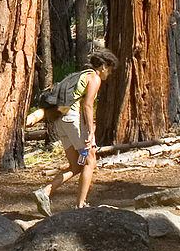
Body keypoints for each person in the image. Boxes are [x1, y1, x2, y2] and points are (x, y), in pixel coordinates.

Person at [33, 48, 119, 216]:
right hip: (74, 121)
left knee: (77, 165)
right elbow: (87, 105)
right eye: (109, 69)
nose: (109, 73)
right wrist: (90, 131)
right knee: (90, 161)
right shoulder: (94, 78)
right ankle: (80, 206)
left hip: (62, 121)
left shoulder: (82, 74)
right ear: (103, 66)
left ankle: (45, 192)